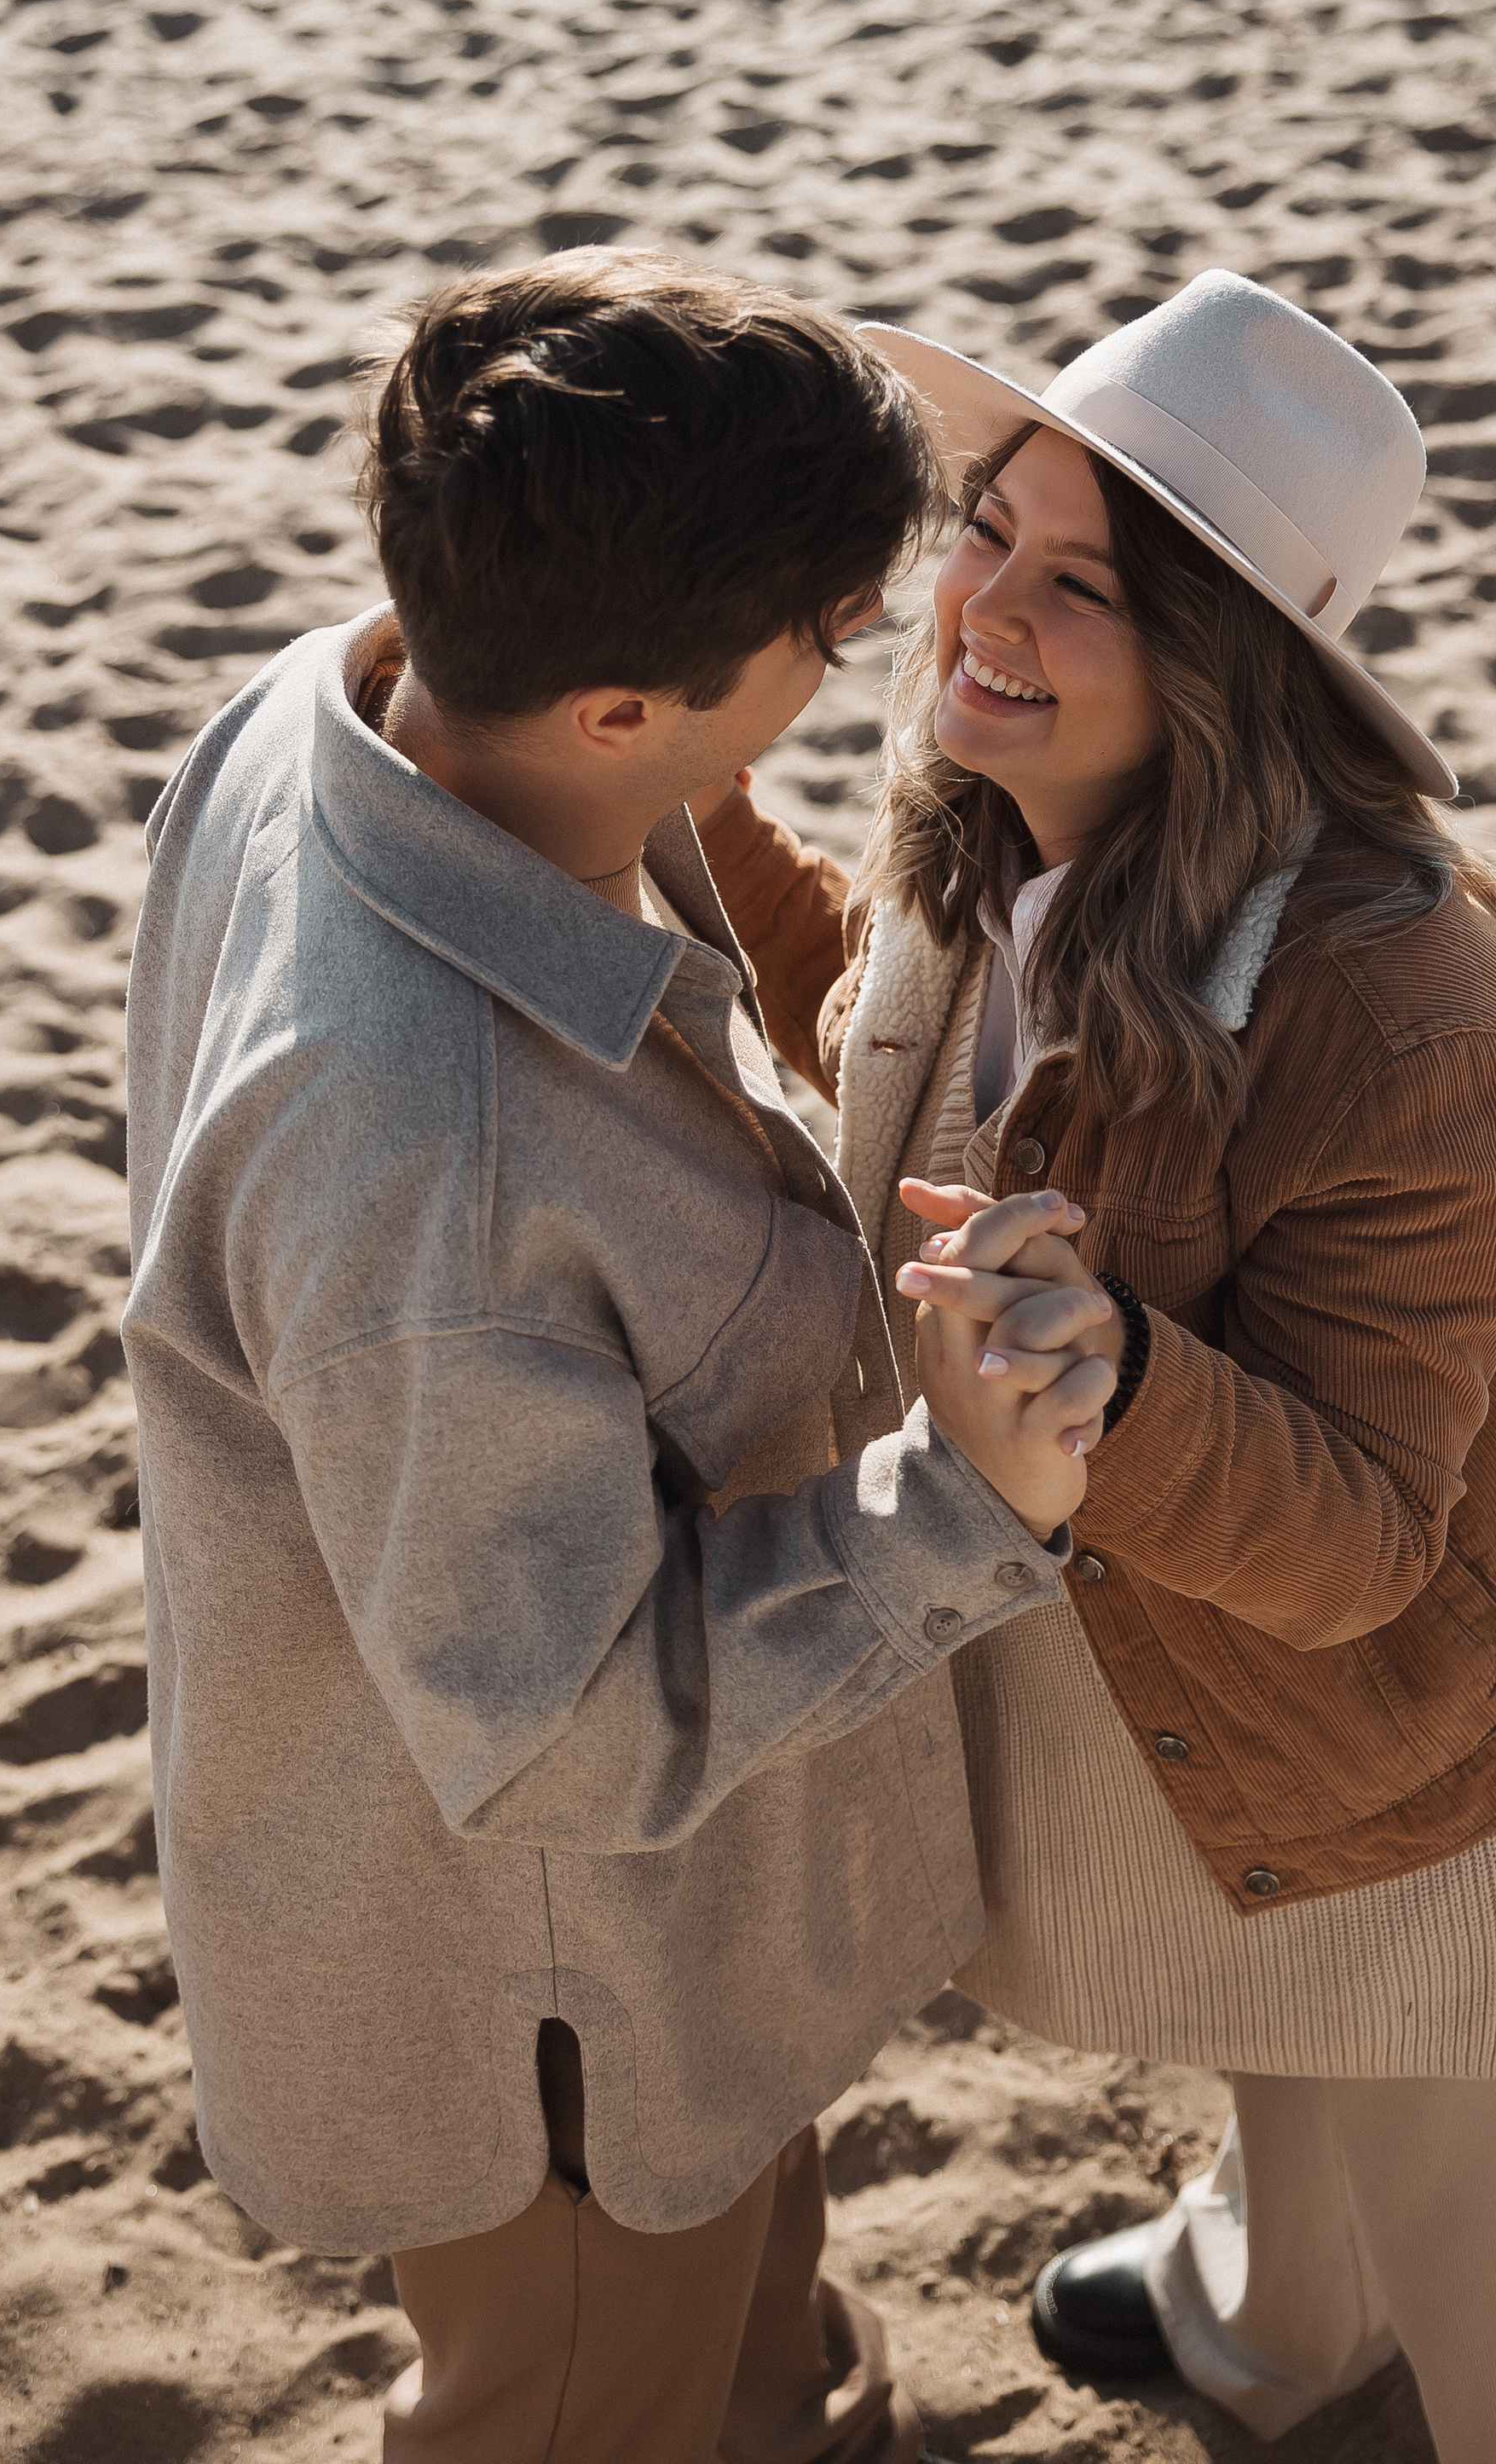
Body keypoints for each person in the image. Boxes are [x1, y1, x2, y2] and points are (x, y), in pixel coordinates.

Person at [697, 268, 1496, 2464]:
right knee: (1289, 2058)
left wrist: (1127, 1374)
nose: (983, 601)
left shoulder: (1410, 1013)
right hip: (1253, 1747)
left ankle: (1327, 2339)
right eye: (990, 522)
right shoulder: (995, 827)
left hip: (1488, 1774)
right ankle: (1271, 2333)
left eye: (1080, 583)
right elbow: (889, 1063)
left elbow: (1368, 1534)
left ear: (1225, 669)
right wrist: (691, 789)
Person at [121, 249, 1115, 2464]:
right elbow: (558, 1740)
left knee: (753, 2337)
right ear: (612, 714)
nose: (880, 651)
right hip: (546, 2011)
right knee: (588, 2405)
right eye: (828, 639)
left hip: (656, 1954)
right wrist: (963, 1504)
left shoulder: (353, 699)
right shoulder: (433, 1175)